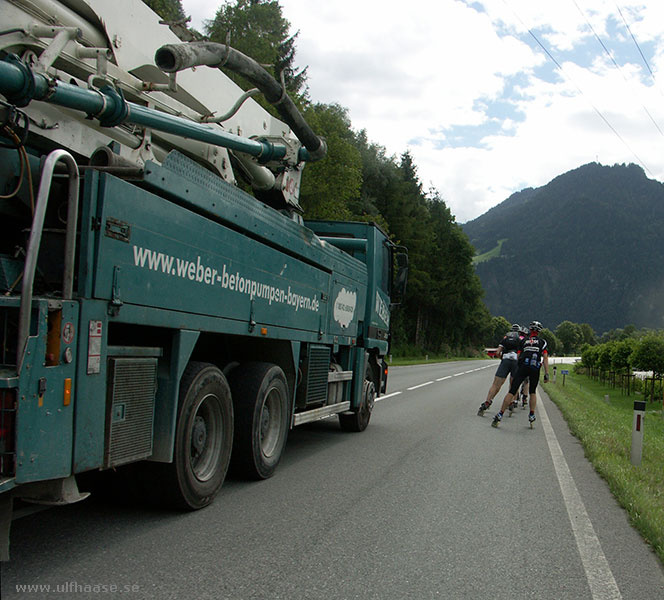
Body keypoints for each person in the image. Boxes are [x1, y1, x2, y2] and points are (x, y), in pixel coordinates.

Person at [491, 320, 550, 428]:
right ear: (539, 331)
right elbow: (545, 358)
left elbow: (518, 356)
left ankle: (500, 414)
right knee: (532, 392)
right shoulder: (543, 342)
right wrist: (547, 374)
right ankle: (531, 415)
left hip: (523, 367)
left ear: (530, 330)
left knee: (512, 391)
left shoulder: (523, 342)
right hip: (535, 368)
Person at [477, 324, 523, 416]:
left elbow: (497, 352)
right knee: (513, 384)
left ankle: (487, 402)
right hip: (515, 362)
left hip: (505, 360)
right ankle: (512, 402)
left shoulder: (505, 338)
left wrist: (502, 358)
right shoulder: (520, 340)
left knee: (496, 384)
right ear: (518, 331)